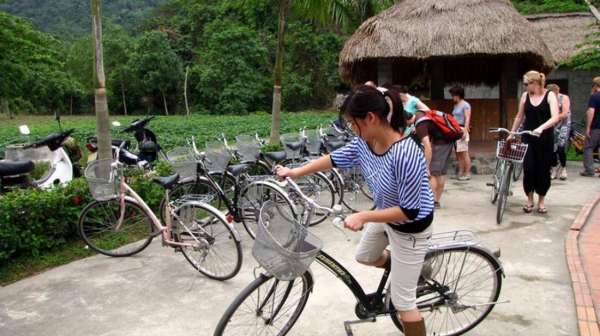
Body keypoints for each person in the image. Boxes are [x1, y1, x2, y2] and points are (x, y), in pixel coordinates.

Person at [276, 85, 433, 336]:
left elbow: (410, 211)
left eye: (352, 123)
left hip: (410, 229)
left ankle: (410, 275)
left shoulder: (407, 153)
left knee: (403, 304)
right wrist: (295, 172)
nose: (352, 129)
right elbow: (335, 158)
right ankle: (414, 270)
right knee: (365, 256)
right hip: (386, 214)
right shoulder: (365, 143)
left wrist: (364, 215)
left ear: (370, 118)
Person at [510, 71, 559, 214]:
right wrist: (512, 133)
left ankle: (541, 200)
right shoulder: (525, 96)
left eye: (526, 84)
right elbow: (519, 117)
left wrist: (541, 128)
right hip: (528, 138)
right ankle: (529, 199)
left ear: (535, 83)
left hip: (544, 138)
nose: (525, 87)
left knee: (543, 170)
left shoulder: (549, 95)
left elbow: (555, 117)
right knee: (529, 168)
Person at [413, 109, 453, 208]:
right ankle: (436, 200)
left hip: (440, 144)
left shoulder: (420, 126)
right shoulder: (419, 114)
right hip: (448, 141)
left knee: (433, 173)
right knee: (441, 173)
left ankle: (433, 201)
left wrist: (426, 166)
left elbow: (428, 147)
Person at [546, 84, 571, 180]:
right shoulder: (547, 98)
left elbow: (565, 113)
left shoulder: (564, 98)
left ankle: (564, 168)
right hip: (552, 124)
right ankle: (554, 167)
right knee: (552, 147)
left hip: (563, 125)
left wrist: (554, 118)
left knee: (560, 147)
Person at [449, 86, 472, 181]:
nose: (452, 97)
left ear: (457, 95)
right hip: (455, 129)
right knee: (458, 153)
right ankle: (460, 172)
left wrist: (465, 131)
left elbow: (467, 118)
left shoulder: (465, 105)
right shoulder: (456, 105)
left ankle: (467, 173)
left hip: (462, 128)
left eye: (453, 95)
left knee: (464, 152)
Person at [581, 77, 600, 177]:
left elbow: (591, 111)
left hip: (596, 127)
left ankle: (589, 170)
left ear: (595, 85)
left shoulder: (595, 96)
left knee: (588, 147)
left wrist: (588, 127)